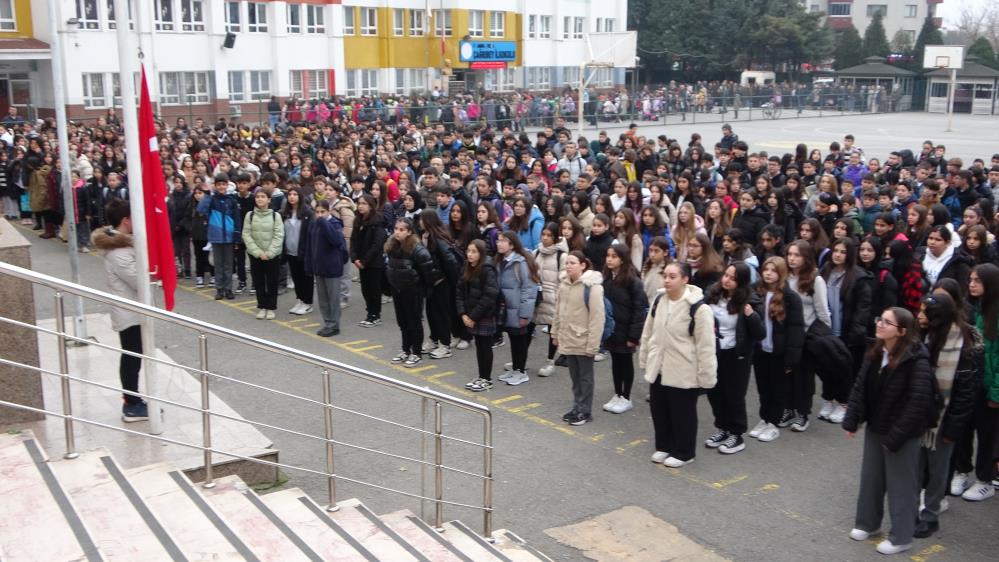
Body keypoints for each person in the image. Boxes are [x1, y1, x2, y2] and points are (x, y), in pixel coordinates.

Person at [843, 307, 935, 556]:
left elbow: (918, 402)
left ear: (902, 331)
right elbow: (861, 386)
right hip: (876, 426)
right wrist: (852, 420)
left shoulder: (917, 358)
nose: (880, 324)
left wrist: (896, 437)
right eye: (880, 319)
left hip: (903, 433)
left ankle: (901, 536)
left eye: (887, 322)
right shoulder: (875, 351)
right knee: (871, 479)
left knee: (901, 486)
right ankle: (867, 524)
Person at [914, 292, 983, 538]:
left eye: (926, 313)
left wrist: (953, 428)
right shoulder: (921, 335)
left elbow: (967, 392)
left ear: (939, 317)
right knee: (915, 466)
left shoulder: (965, 344)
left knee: (937, 470)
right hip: (919, 414)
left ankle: (930, 515)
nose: (920, 316)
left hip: (943, 420)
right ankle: (912, 510)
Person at [640, 262, 717, 467]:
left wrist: (706, 378)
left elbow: (706, 346)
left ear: (685, 279)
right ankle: (664, 446)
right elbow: (649, 331)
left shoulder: (699, 309)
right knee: (660, 409)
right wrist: (645, 358)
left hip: (684, 371)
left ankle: (684, 452)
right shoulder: (659, 300)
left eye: (672, 276)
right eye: (665, 275)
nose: (667, 280)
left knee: (682, 413)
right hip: (659, 366)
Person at [91, 199, 149, 422]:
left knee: (133, 354)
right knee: (132, 356)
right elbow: (138, 281)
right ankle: (131, 404)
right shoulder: (119, 252)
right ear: (126, 220)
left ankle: (133, 399)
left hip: (131, 309)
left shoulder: (120, 245)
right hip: (129, 311)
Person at [704, 263, 766, 455]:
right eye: (725, 275)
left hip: (736, 354)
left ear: (741, 282)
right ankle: (722, 428)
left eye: (732, 278)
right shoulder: (713, 294)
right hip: (714, 350)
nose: (726, 280)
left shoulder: (749, 301)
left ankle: (736, 434)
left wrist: (751, 315)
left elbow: (760, 333)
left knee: (734, 395)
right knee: (714, 391)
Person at [953, 263, 999, 502]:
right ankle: (961, 471)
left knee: (988, 435)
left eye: (977, 281)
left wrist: (996, 392)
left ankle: (985, 479)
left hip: (988, 386)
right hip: (968, 382)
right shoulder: (968, 308)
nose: (971, 285)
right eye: (970, 280)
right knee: (963, 429)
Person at [750, 257, 805, 442]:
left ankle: (773, 423)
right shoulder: (756, 292)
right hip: (760, 351)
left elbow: (796, 329)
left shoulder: (791, 298)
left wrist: (791, 358)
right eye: (766, 269)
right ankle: (764, 419)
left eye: (773, 270)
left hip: (778, 353)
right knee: (763, 388)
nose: (768, 273)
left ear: (780, 273)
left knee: (777, 389)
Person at [820, 237, 873, 423]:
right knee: (827, 367)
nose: (838, 255)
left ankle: (844, 403)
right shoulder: (826, 271)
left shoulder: (859, 277)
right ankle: (829, 399)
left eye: (843, 252)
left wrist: (855, 334)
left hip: (846, 330)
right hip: (827, 329)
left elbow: (862, 308)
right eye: (835, 251)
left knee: (845, 369)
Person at [552, 251, 605, 426]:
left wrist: (593, 345)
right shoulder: (564, 285)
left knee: (585, 378)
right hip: (568, 338)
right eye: (566, 263)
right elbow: (558, 311)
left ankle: (585, 410)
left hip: (583, 339)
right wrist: (555, 332)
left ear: (583, 265)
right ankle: (577, 406)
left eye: (572, 263)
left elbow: (597, 318)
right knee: (575, 377)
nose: (568, 266)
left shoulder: (592, 287)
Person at [385, 218, 440, 367]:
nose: (397, 232)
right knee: (402, 321)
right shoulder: (392, 246)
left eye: (401, 230)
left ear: (409, 232)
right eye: (396, 229)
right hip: (398, 289)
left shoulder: (417, 249)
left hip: (413, 291)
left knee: (414, 321)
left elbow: (428, 272)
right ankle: (405, 349)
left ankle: (416, 352)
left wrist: (423, 289)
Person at [601, 243, 649, 414]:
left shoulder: (632, 281)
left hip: (626, 330)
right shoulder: (607, 278)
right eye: (608, 256)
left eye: (614, 256)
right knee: (615, 362)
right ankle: (617, 393)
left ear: (622, 259)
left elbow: (639, 309)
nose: (609, 259)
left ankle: (626, 397)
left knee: (626, 362)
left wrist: (633, 336)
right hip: (612, 329)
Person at [494, 231, 539, 386]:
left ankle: (521, 372)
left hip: (518, 310)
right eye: (498, 240)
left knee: (520, 341)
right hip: (507, 309)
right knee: (513, 339)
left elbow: (529, 290)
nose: (498, 243)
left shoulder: (520, 263)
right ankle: (515, 369)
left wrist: (525, 314)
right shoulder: (501, 261)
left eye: (503, 241)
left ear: (512, 244)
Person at [458, 239, 501, 392]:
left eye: (474, 252)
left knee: (485, 346)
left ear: (481, 253)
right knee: (479, 346)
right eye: (468, 251)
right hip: (471, 314)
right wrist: (463, 313)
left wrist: (473, 317)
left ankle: (486, 379)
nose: (470, 254)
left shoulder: (487, 269)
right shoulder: (466, 267)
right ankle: (481, 376)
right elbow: (459, 291)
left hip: (484, 315)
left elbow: (489, 296)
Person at [304, 200, 348, 337]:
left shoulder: (334, 224)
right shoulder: (314, 225)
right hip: (319, 267)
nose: (319, 215)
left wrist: (324, 223)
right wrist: (309, 265)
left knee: (333, 298)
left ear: (329, 211)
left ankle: (334, 325)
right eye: (317, 212)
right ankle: (327, 322)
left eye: (323, 212)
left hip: (332, 268)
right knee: (323, 299)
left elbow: (336, 240)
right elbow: (310, 246)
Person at [197, 173, 241, 300]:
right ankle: (219, 289)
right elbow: (201, 209)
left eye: (223, 184)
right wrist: (208, 195)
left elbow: (237, 218)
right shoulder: (212, 199)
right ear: (215, 186)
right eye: (219, 185)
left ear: (227, 185)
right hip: (216, 236)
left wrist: (237, 234)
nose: (221, 187)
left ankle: (228, 289)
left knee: (228, 264)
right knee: (218, 264)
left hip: (229, 237)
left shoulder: (232, 200)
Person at [242, 189, 285, 320]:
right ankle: (261, 306)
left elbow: (279, 235)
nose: (259, 199)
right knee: (258, 281)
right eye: (258, 197)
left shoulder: (275, 216)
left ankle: (271, 307)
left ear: (269, 199)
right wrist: (257, 252)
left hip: (272, 255)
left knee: (272, 282)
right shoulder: (250, 215)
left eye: (263, 197)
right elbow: (246, 234)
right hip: (256, 255)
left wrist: (270, 252)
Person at [533, 223, 568, 377]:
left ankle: (550, 361)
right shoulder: (536, 253)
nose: (545, 238)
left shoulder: (562, 256)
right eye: (544, 235)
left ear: (555, 237)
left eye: (549, 236)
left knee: (553, 331)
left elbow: (564, 279)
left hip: (553, 298)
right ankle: (519, 361)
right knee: (528, 328)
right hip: (537, 297)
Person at [351, 194, 388, 327]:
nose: (360, 206)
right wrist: (354, 258)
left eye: (364, 204)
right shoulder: (358, 220)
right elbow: (353, 240)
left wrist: (364, 261)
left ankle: (375, 315)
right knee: (365, 289)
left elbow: (377, 245)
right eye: (359, 203)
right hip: (361, 262)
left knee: (374, 290)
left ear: (371, 206)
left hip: (374, 263)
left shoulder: (377, 222)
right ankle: (369, 313)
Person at [282, 187, 315, 315]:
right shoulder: (285, 213)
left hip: (303, 251)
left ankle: (308, 302)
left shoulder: (308, 213)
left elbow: (310, 233)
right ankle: (300, 299)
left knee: (306, 278)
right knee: (296, 277)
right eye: (289, 194)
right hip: (290, 251)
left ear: (300, 197)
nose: (292, 197)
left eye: (295, 194)